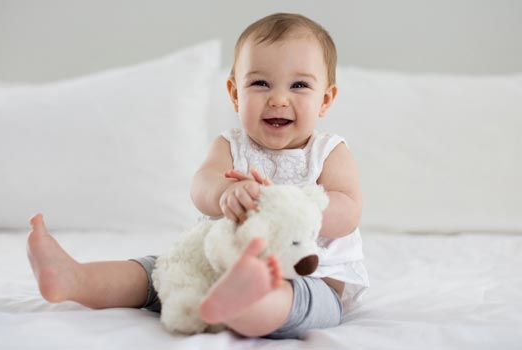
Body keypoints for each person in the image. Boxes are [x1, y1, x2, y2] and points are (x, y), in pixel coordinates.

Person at [26, 12, 369, 339]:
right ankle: (76, 278)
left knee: (291, 300)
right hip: (214, 264)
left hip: (309, 277)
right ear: (235, 94)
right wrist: (225, 192)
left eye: (298, 86)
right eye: (260, 83)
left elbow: (348, 212)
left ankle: (246, 303)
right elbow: (201, 185)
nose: (278, 98)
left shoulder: (328, 151)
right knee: (157, 272)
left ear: (325, 100)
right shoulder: (230, 144)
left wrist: (284, 204)